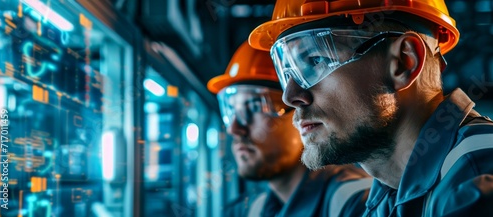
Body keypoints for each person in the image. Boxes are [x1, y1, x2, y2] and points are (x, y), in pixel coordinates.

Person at [248, 0, 493, 216]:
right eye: (287, 72)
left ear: (403, 62)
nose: (290, 97)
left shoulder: (477, 173)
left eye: (316, 60)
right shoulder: (386, 199)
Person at [208, 42, 372, 217]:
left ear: (300, 109)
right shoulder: (252, 210)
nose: (235, 128)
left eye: (256, 107)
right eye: (232, 110)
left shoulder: (356, 203)